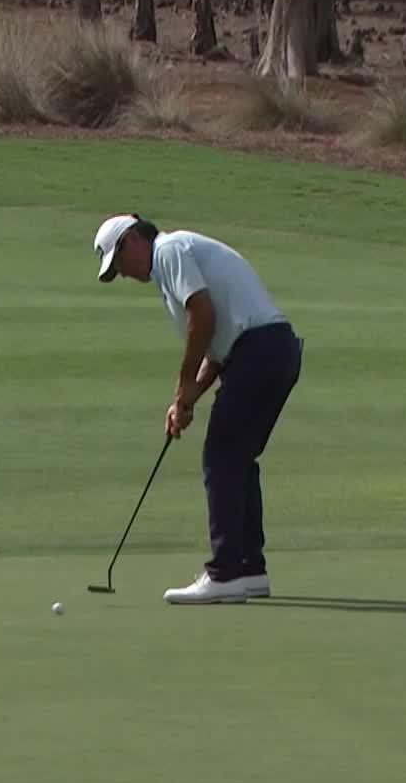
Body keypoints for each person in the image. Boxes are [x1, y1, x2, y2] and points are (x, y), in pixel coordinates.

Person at [93, 213, 303, 604]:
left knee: (220, 458)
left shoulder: (168, 250)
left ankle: (224, 572)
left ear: (132, 241)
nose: (121, 273)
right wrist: (186, 400)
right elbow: (218, 349)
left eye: (118, 264)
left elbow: (202, 317)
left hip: (259, 351)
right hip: (275, 351)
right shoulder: (171, 263)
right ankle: (249, 570)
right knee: (238, 459)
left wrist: (183, 386)